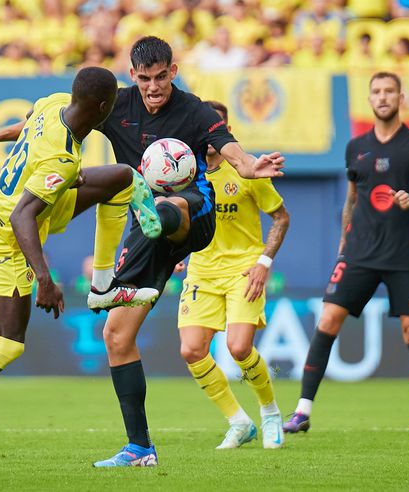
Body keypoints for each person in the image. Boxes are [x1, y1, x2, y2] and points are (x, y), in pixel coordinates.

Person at [0, 36, 285, 467]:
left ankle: (152, 226)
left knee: (169, 202)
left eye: (162, 77)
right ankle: (140, 448)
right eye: (145, 78)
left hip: (192, 214)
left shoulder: (196, 111)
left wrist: (250, 166)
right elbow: (53, 122)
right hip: (141, 224)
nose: (154, 87)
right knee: (115, 337)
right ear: (133, 75)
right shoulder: (116, 105)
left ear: (174, 70)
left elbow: (234, 153)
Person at [0, 66, 162, 475]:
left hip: (36, 202)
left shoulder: (53, 104)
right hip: (7, 234)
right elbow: (21, 217)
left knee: (122, 178)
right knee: (8, 344)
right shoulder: (63, 157)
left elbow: (29, 123)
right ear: (102, 109)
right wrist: (45, 280)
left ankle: (102, 284)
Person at [284, 72, 409, 436]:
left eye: (389, 91)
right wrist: (343, 243)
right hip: (359, 253)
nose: (382, 97)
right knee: (327, 321)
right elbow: (352, 199)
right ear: (369, 99)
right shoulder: (356, 147)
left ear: (401, 97)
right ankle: (302, 412)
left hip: (402, 255)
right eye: (376, 92)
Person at [177, 101, 290, 450]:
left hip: (243, 268)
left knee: (239, 347)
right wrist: (177, 251)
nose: (214, 134)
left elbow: (281, 217)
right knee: (192, 350)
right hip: (202, 272)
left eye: (220, 127)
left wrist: (264, 263)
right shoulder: (183, 172)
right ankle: (238, 422)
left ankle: (270, 413)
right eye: (209, 127)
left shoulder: (246, 168)